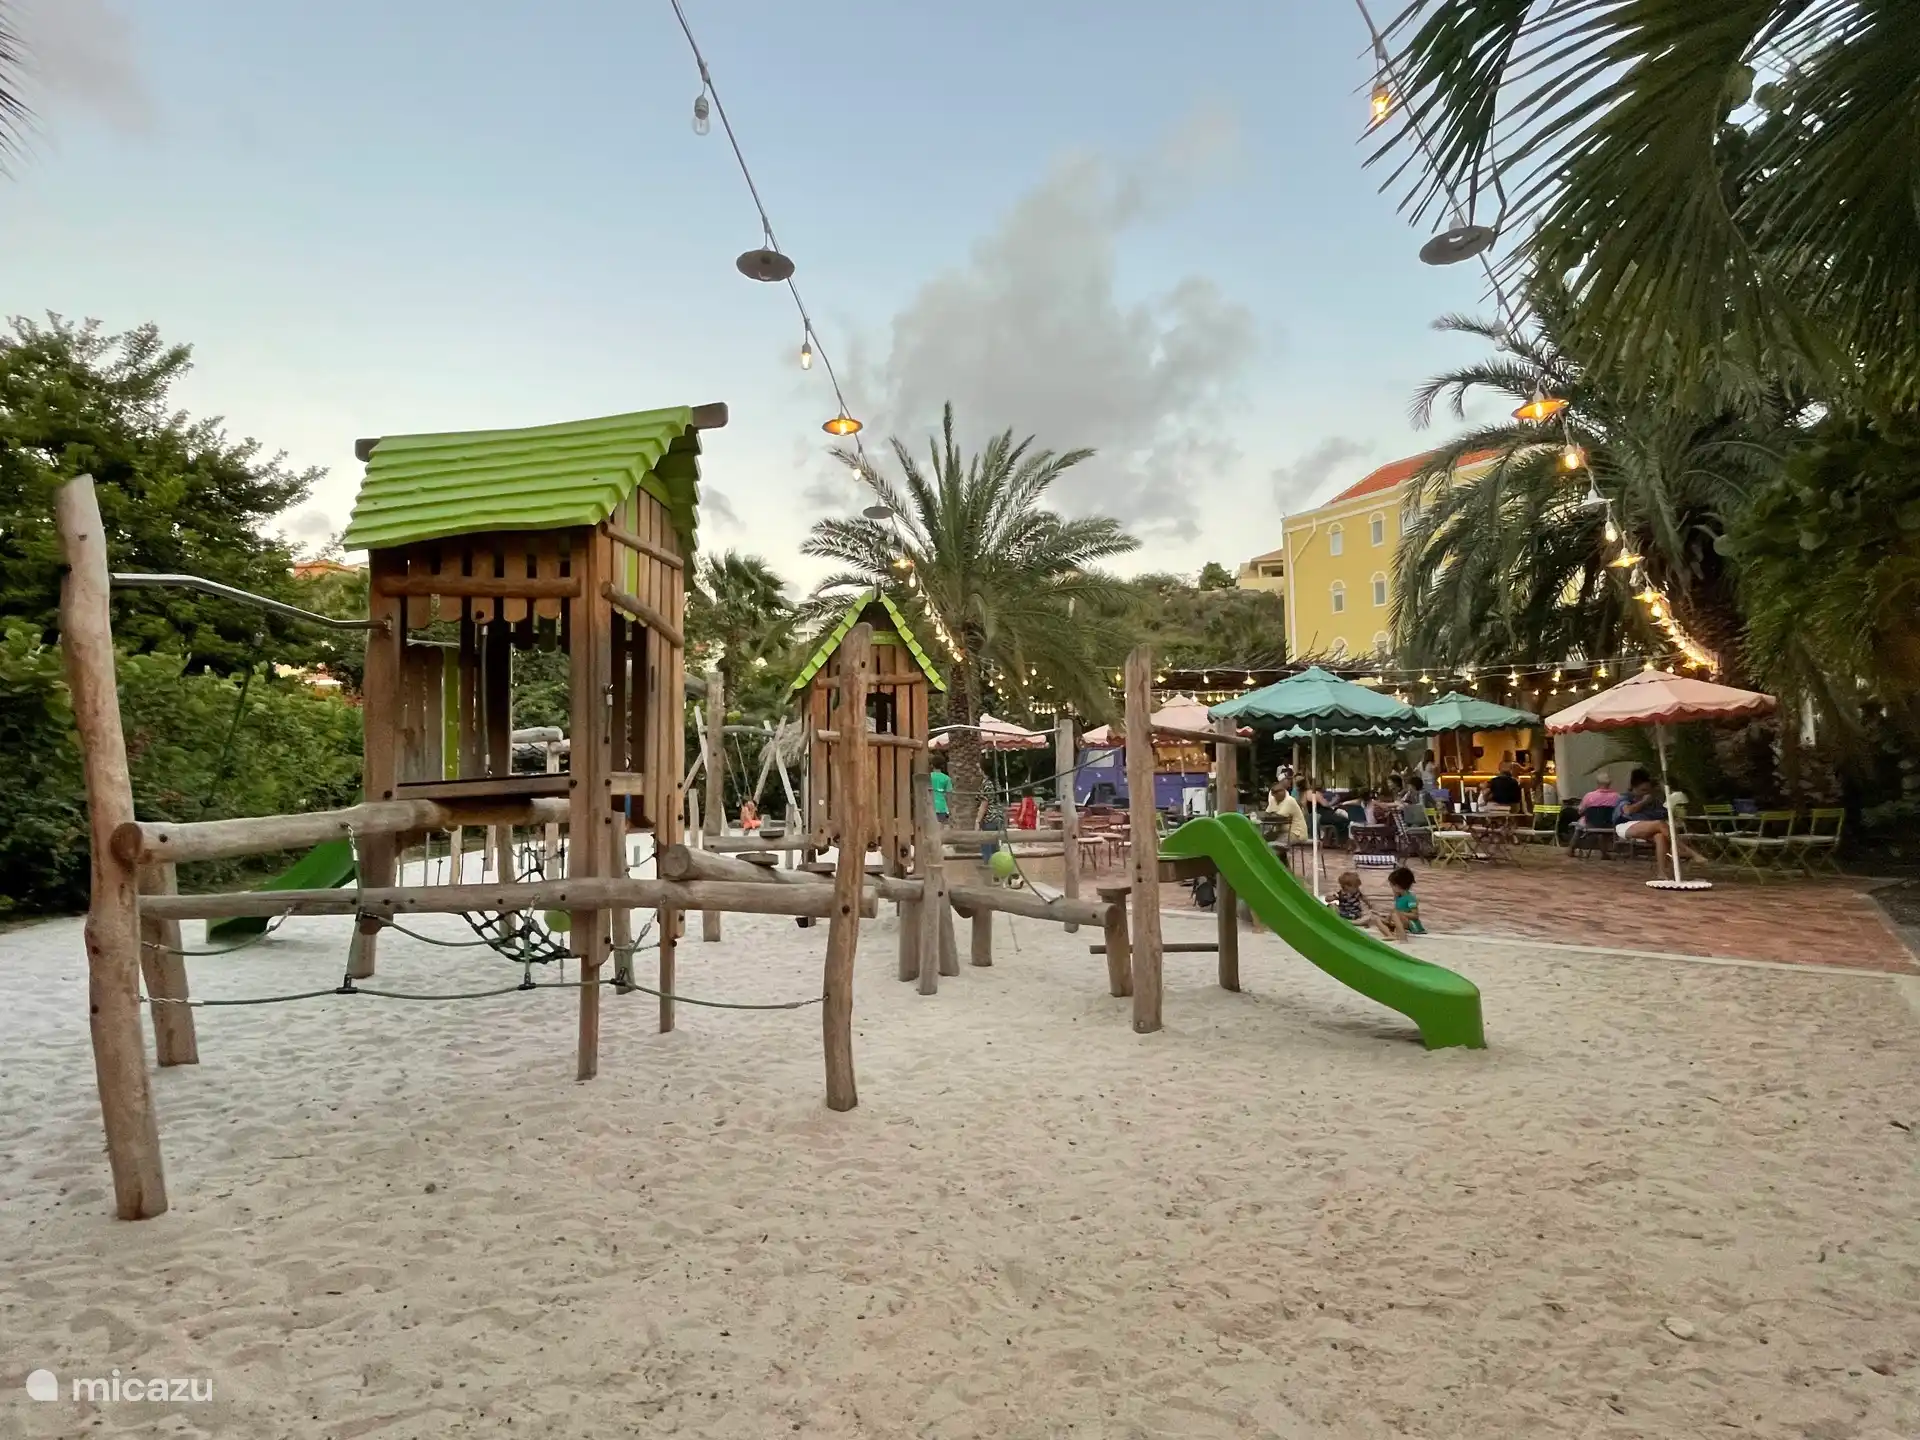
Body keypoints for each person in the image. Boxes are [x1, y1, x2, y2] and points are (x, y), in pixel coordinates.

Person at [1616, 770, 1692, 875]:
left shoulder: (1653, 801)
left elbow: (1662, 813)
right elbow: (1627, 811)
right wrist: (1643, 802)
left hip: (1648, 826)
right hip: (1627, 825)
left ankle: (1662, 873)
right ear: (1633, 788)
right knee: (1659, 824)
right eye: (1643, 790)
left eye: (1648, 791)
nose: (1645, 793)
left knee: (1660, 836)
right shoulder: (1625, 797)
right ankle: (1685, 849)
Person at [1378, 865, 1425, 939]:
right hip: (1400, 922)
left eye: (1392, 886)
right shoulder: (1398, 897)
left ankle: (1403, 937)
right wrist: (1388, 918)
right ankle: (1390, 935)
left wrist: (1399, 913)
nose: (1391, 888)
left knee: (1395, 914)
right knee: (1377, 919)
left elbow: (1415, 916)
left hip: (1412, 925)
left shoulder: (1410, 898)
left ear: (1398, 886)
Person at [929, 760, 953, 824]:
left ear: (932, 765)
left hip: (929, 806)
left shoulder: (928, 776)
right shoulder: (947, 778)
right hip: (942, 807)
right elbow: (949, 794)